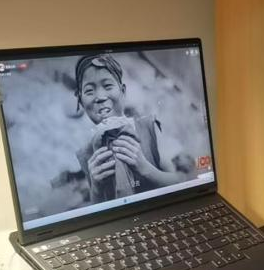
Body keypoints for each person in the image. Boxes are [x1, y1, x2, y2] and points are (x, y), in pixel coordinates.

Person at [73, 54, 186, 203]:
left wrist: (146, 169)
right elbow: (98, 206)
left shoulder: (148, 129)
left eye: (107, 86)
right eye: (89, 91)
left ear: (123, 91)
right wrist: (96, 188)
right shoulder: (88, 153)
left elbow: (179, 182)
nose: (100, 96)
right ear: (81, 101)